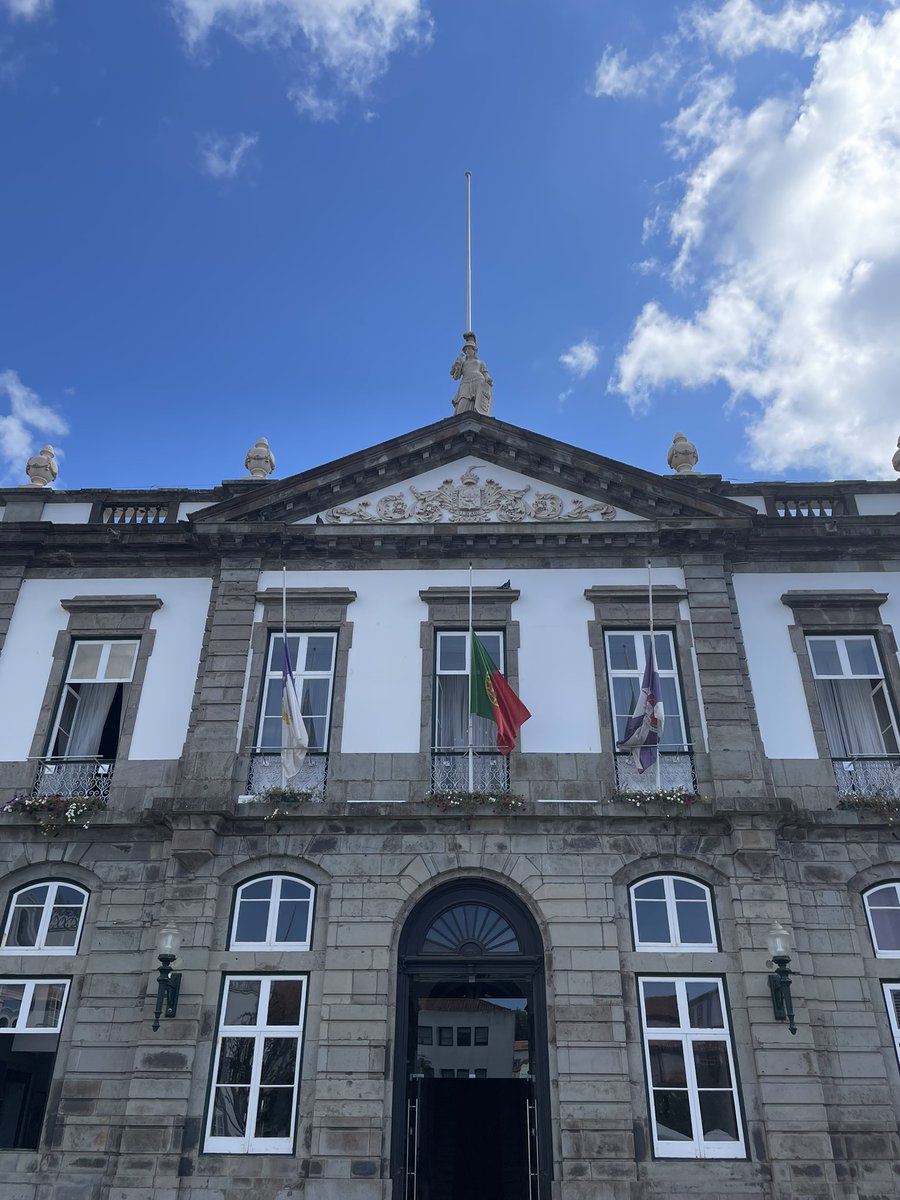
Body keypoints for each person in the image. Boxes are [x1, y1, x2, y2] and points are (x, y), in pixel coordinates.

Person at [450, 333, 493, 415]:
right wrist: (457, 365)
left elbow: (485, 373)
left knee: (476, 406)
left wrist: (487, 378)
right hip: (465, 383)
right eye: (466, 350)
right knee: (462, 404)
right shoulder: (463, 363)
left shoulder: (480, 362)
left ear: (474, 350)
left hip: (478, 382)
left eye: (469, 349)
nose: (467, 351)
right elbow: (456, 377)